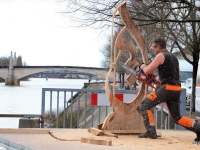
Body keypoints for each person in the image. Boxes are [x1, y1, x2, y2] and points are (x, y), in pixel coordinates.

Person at [138, 37, 200, 141]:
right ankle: (198, 129)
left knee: (144, 105)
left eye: (153, 47)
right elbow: (178, 75)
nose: (153, 49)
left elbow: (147, 70)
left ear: (158, 46)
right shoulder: (174, 57)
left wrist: (142, 66)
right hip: (176, 89)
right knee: (177, 117)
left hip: (167, 89)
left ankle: (151, 132)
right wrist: (161, 81)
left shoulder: (160, 55)